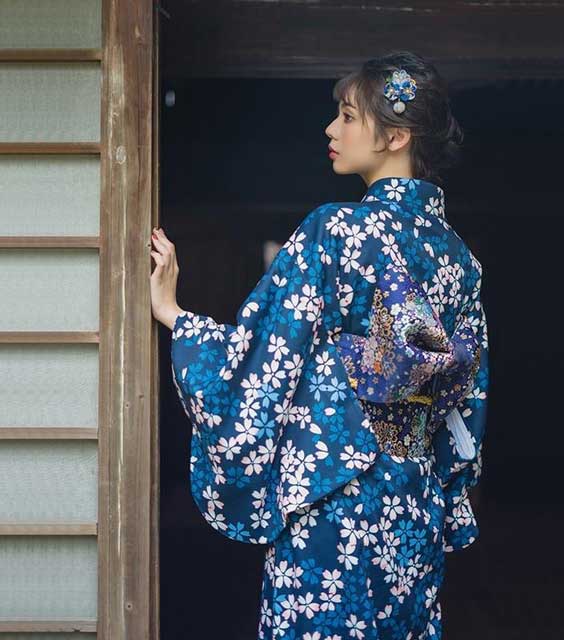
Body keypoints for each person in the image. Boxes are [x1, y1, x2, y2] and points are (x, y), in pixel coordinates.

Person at [150, 50, 489, 640]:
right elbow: (466, 401)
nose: (332, 130)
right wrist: (449, 495)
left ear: (397, 136)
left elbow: (264, 360)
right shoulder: (460, 258)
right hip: (414, 506)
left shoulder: (336, 231)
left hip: (336, 498)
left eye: (349, 116)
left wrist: (177, 317)